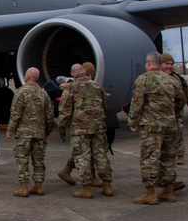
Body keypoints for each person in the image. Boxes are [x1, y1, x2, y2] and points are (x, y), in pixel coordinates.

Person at [128, 51, 185, 205]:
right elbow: (181, 100)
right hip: (170, 125)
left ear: (148, 63)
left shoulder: (143, 79)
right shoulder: (171, 80)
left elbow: (137, 102)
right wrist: (172, 114)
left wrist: (132, 121)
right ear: (160, 64)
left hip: (151, 125)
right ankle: (168, 191)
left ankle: (150, 193)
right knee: (168, 157)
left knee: (150, 158)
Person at [57, 63, 113, 198]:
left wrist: (61, 128)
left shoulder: (71, 88)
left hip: (80, 129)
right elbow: (104, 104)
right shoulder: (98, 86)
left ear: (72, 74)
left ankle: (86, 189)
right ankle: (107, 186)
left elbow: (65, 111)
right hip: (98, 128)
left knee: (82, 157)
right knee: (101, 156)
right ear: (84, 71)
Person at [7, 67, 55, 197]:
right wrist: (48, 131)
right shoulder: (43, 94)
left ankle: (24, 187)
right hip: (39, 133)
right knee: (38, 160)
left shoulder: (21, 92)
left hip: (24, 133)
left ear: (27, 77)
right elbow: (50, 115)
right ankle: (38, 186)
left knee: (22, 160)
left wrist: (10, 129)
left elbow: (16, 113)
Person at [160, 52, 188, 169]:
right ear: (160, 64)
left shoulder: (178, 79)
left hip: (175, 115)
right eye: (166, 64)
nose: (169, 66)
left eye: (171, 64)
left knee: (178, 136)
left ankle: (180, 155)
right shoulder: (153, 79)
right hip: (159, 117)